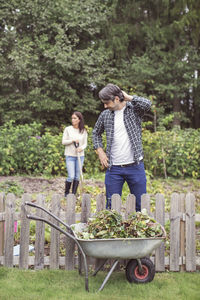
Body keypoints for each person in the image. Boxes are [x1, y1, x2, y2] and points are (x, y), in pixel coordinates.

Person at [92, 83, 151, 211]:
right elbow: (96, 133)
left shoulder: (134, 110)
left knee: (141, 206)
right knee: (111, 207)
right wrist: (100, 151)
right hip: (114, 169)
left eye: (107, 103)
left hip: (135, 166)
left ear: (117, 99)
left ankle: (139, 230)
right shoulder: (105, 115)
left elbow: (147, 104)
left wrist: (128, 97)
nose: (105, 106)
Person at [62, 111, 88, 196]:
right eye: (72, 118)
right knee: (71, 176)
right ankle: (66, 193)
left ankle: (73, 194)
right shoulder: (68, 129)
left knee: (77, 176)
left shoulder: (83, 131)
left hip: (80, 156)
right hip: (70, 156)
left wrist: (81, 148)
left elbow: (85, 144)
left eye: (75, 118)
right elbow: (63, 142)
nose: (73, 120)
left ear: (79, 119)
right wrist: (72, 140)